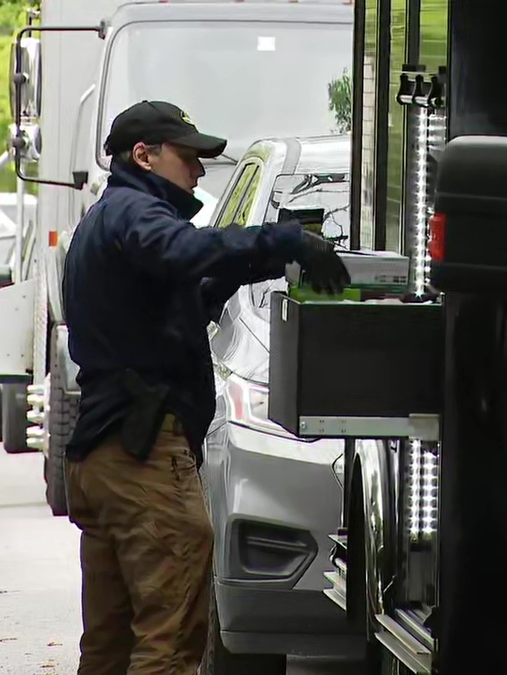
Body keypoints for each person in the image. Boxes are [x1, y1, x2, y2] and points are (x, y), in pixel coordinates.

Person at [60, 100, 349, 675]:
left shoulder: (107, 222)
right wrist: (284, 240)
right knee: (169, 642)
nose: (198, 172)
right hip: (142, 459)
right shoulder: (133, 214)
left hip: (104, 458)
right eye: (188, 157)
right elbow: (183, 253)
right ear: (143, 156)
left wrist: (271, 263)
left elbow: (193, 284)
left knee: (110, 648)